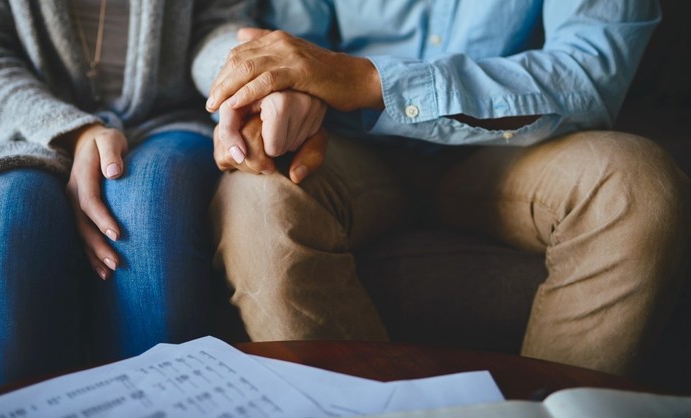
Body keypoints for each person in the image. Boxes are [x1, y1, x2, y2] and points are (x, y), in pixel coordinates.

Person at [201, 0, 691, 376]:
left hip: (515, 149)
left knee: (636, 185)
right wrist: (274, 100)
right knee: (258, 198)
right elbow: (285, 44)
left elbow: (587, 75)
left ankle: (548, 404)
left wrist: (369, 80)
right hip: (349, 148)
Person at [0, 0, 251, 393]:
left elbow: (216, 27)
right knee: (4, 218)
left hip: (167, 119)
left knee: (149, 210)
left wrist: (238, 83)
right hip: (21, 125)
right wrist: (74, 131)